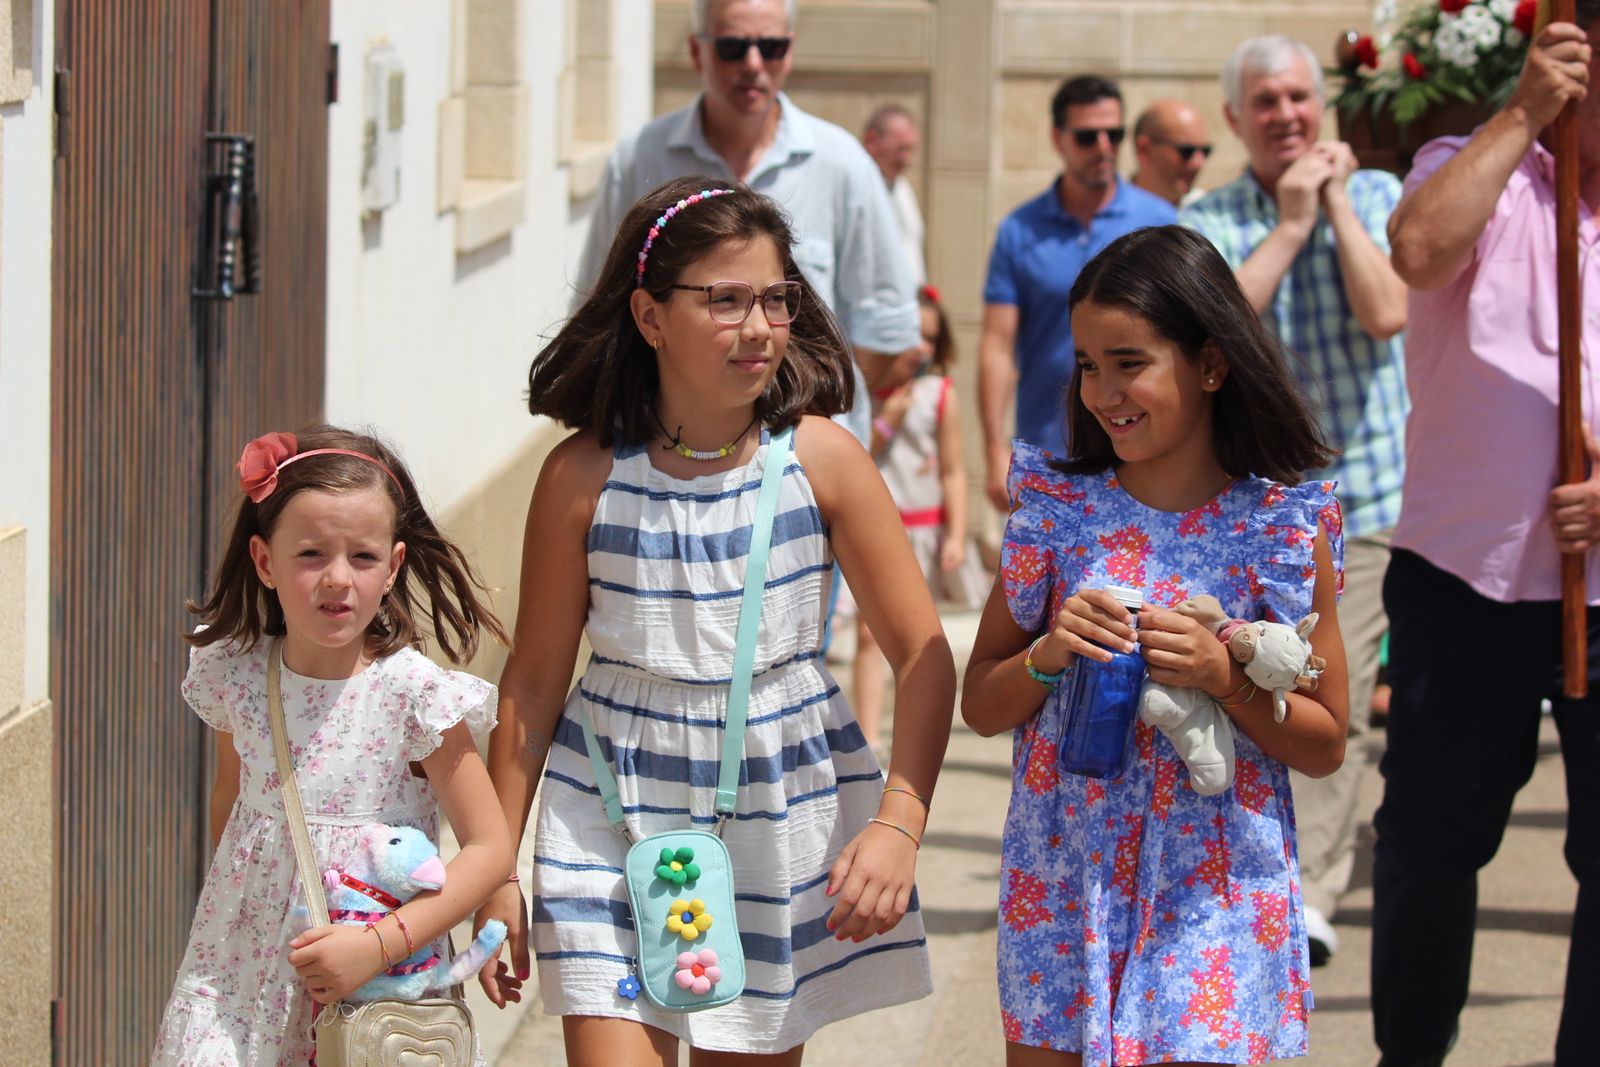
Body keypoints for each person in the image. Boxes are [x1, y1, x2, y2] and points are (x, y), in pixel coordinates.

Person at [475, 177, 956, 1062]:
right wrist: (493, 865)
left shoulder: (825, 461)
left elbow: (923, 656)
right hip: (607, 814)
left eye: (776, 299)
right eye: (725, 300)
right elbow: (534, 685)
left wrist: (900, 820)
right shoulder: (581, 477)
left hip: (776, 817)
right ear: (651, 317)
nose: (761, 325)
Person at [962, 224, 1349, 1065]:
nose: (1103, 391)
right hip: (1065, 881)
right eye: (1088, 364)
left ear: (1211, 364)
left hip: (1218, 889)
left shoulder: (1280, 529)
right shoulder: (1056, 517)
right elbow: (981, 703)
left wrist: (1230, 680)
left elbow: (1326, 742)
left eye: (1128, 361)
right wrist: (1049, 653)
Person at [1376, 9, 1599, 1065]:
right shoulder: (1473, 169)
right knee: (1429, 846)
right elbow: (1416, 251)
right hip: (1464, 574)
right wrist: (1523, 111)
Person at [149, 426, 513, 1065]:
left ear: (394, 565)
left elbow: (488, 848)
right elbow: (231, 806)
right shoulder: (237, 674)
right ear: (265, 561)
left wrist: (376, 946)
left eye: (364, 558)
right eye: (311, 554)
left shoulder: (414, 696)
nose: (337, 579)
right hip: (237, 977)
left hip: (377, 979)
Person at [1181, 34, 1408, 965]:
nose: (1285, 116)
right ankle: (1251, 865)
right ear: (1236, 118)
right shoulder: (1213, 214)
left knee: (1327, 698)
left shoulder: (1384, 196)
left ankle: (1309, 890)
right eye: (1264, 102)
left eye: (1298, 99)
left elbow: (1387, 310)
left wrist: (1339, 209)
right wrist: (1287, 224)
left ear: (1325, 109)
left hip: (1364, 500)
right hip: (1254, 505)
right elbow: (1210, 328)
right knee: (1239, 687)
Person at [573, 0, 921, 447]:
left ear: (789, 52)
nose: (753, 63)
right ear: (697, 52)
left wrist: (805, 404)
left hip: (805, 470)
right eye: (733, 47)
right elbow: (599, 318)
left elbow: (889, 332)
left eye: (771, 46)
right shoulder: (639, 158)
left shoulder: (843, 164)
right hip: (663, 466)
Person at [979, 74, 1176, 511]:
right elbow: (997, 345)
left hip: (1142, 453)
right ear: (1058, 139)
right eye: (1088, 136)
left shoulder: (1160, 222)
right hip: (1051, 456)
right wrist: (994, 448)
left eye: (1115, 134)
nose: (1104, 146)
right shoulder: (1019, 230)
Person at [854, 284, 984, 749]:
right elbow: (855, 459)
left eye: (931, 337)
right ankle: (869, 736)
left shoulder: (938, 394)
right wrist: (886, 420)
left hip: (923, 531)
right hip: (872, 532)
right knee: (869, 638)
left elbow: (952, 470)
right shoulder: (862, 397)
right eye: (913, 336)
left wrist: (955, 534)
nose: (921, 348)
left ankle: (914, 738)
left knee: (917, 642)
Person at [862, 102, 927, 282]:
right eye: (901, 149)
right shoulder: (855, 189)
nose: (907, 159)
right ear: (872, 140)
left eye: (910, 149)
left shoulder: (901, 186)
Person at [1130, 99, 1212, 207]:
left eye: (1205, 151)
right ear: (1144, 149)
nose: (1198, 163)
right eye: (1186, 151)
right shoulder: (1106, 210)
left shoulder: (1210, 213)